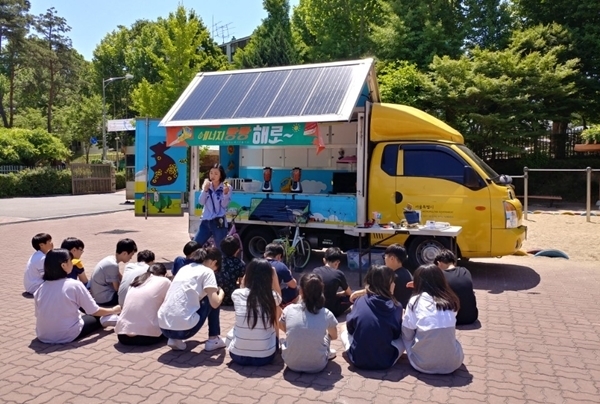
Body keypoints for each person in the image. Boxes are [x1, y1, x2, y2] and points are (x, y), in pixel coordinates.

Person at [34, 249, 121, 344]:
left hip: (43, 335)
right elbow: (94, 311)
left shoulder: (41, 287)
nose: (73, 263)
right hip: (67, 335)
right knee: (96, 317)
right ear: (63, 265)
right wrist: (114, 310)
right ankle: (106, 320)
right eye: (70, 261)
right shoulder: (74, 285)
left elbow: (38, 314)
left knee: (86, 313)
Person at [158, 248, 226, 351]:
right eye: (216, 269)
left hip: (164, 328)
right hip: (184, 330)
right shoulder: (207, 271)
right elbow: (215, 303)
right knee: (213, 296)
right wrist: (221, 293)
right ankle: (214, 339)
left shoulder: (184, 269)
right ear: (214, 262)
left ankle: (174, 339)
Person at [402, 264, 464, 374]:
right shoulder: (450, 300)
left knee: (407, 332)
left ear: (417, 281)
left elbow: (407, 334)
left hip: (422, 364)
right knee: (451, 338)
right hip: (453, 364)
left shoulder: (415, 301)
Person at [342, 265, 403, 370]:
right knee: (404, 335)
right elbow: (396, 334)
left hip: (357, 359)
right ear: (387, 284)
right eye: (392, 281)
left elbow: (350, 328)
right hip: (386, 361)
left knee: (343, 328)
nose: (394, 284)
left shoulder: (360, 301)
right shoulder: (397, 306)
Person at [226, 259, 282, 366]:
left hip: (237, 355)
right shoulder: (271, 296)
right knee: (276, 309)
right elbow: (279, 297)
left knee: (236, 328)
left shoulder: (237, 294)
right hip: (265, 357)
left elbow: (243, 287)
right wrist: (274, 275)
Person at [280, 273, 338, 373]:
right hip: (318, 366)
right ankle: (322, 353)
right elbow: (334, 336)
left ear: (300, 290)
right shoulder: (326, 313)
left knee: (284, 338)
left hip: (291, 364)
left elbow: (282, 326)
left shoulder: (288, 310)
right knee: (326, 337)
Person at [115, 263, 171, 346]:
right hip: (148, 337)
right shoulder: (165, 281)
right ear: (165, 274)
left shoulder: (137, 280)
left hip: (122, 335)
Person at [350, 244, 413, 309]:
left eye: (384, 257)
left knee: (356, 304)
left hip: (393, 310)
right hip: (403, 307)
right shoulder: (407, 272)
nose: (384, 260)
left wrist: (357, 293)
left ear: (392, 258)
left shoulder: (392, 277)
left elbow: (376, 292)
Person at [434, 250, 478, 325]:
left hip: (451, 319)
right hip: (472, 317)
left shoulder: (440, 276)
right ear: (454, 262)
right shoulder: (465, 271)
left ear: (439, 263)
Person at [193, 164, 232, 250]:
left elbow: (224, 205)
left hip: (219, 222)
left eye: (216, 173)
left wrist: (225, 194)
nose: (212, 175)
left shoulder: (226, 186)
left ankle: (221, 263)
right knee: (195, 246)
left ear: (221, 175)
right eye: (211, 173)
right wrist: (205, 190)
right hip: (206, 221)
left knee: (221, 249)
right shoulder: (207, 184)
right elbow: (201, 202)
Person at [90, 238, 138, 307]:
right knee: (131, 295)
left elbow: (120, 278)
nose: (131, 258)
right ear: (124, 253)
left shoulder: (111, 260)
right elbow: (117, 289)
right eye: (131, 255)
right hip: (105, 298)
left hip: (99, 294)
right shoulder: (112, 265)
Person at [311, 247, 352, 317]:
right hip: (332, 310)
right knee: (354, 297)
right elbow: (349, 293)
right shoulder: (339, 274)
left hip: (316, 307)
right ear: (337, 262)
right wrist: (339, 294)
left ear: (324, 260)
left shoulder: (315, 271)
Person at [216, 235, 246, 306]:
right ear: (237, 250)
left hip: (216, 295)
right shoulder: (240, 263)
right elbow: (241, 282)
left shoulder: (217, 261)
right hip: (231, 298)